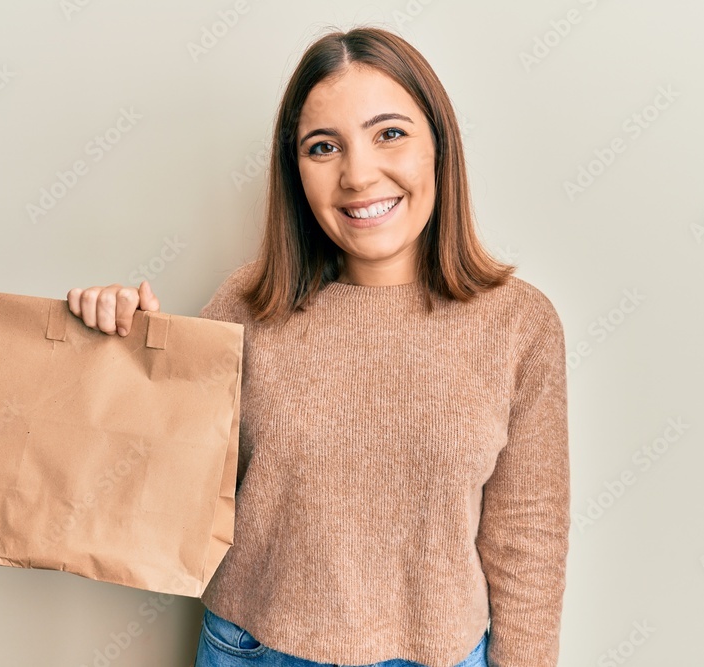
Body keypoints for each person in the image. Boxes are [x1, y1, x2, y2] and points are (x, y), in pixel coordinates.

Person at [68, 26, 569, 667]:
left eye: (390, 133)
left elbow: (527, 535)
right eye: (323, 146)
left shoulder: (521, 326)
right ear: (295, 170)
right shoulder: (244, 308)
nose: (358, 175)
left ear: (439, 147)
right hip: (255, 648)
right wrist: (117, 351)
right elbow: (163, 504)